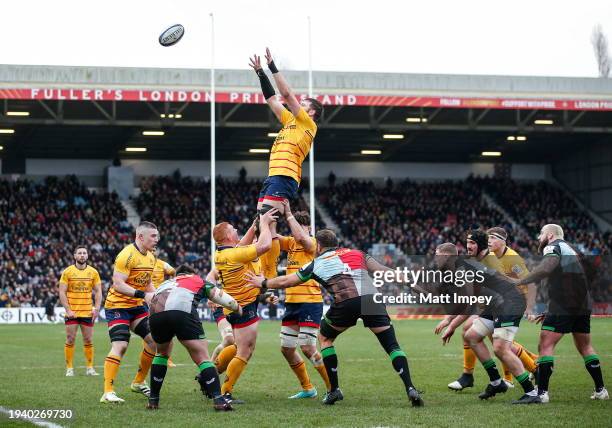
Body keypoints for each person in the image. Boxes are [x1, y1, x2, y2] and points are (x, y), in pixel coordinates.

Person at [247, 229, 423, 407]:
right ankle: (410, 387)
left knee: (325, 338)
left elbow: (287, 281)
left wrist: (262, 283)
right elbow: (384, 271)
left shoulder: (316, 263)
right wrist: (410, 283)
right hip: (372, 300)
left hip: (347, 301)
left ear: (319, 246)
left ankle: (334, 390)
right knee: (392, 345)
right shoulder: (358, 253)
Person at [248, 48, 324, 281]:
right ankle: (267, 277)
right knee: (263, 226)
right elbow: (272, 99)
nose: (297, 104)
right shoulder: (290, 121)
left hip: (285, 177)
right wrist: (261, 73)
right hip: (274, 177)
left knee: (265, 222)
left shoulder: (307, 124)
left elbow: (287, 93)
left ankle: (267, 279)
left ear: (310, 111)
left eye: (303, 104)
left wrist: (273, 67)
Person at [435, 243, 540, 404]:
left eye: (438, 254)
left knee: (500, 349)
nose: (435, 257)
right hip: (496, 304)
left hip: (509, 302)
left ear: (447, 256)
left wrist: (451, 325)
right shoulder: (457, 268)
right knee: (471, 336)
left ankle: (531, 392)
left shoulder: (462, 269)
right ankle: (496, 382)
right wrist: (449, 320)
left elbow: (469, 304)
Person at [514, 224, 608, 402]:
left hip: (564, 305)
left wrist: (521, 281)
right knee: (585, 347)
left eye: (541, 234)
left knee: (545, 345)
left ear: (550, 235)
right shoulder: (573, 250)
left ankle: (541, 394)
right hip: (582, 304)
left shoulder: (553, 246)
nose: (538, 238)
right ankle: (601, 390)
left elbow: (545, 269)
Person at [207, 209, 277, 403]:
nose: (236, 230)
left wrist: (255, 225)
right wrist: (263, 224)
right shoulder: (234, 255)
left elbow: (242, 244)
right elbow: (264, 245)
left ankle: (209, 376)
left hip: (236, 305)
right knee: (245, 350)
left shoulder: (223, 253)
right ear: (228, 236)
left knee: (238, 346)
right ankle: (225, 392)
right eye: (233, 229)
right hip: (244, 306)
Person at [146, 264, 239, 411]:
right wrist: (237, 308)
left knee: (162, 353)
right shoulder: (196, 280)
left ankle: (153, 400)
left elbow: (151, 299)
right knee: (202, 356)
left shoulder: (164, 283)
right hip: (181, 312)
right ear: (191, 274)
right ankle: (219, 400)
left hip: (155, 314)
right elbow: (222, 298)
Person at [100, 221, 159, 404]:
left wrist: (156, 296)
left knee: (153, 341)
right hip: (117, 306)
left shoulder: (150, 257)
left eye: (157, 236)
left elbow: (146, 282)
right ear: (140, 237)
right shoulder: (126, 255)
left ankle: (138, 383)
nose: (157, 239)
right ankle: (107, 392)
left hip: (136, 306)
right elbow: (118, 284)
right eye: (153, 236)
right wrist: (144, 295)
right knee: (121, 345)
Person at [277, 201, 331, 399]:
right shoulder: (291, 242)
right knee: (287, 348)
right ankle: (308, 388)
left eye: (302, 227)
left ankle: (332, 388)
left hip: (310, 301)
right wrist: (269, 217)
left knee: (308, 347)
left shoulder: (312, 243)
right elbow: (273, 238)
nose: (297, 232)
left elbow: (300, 236)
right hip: (292, 302)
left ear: (308, 228)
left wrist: (289, 213)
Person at [58, 246, 102, 376]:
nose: (82, 255)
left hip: (87, 311)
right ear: (75, 256)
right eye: (79, 253)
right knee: (70, 339)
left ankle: (90, 368)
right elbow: (62, 291)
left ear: (87, 256)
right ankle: (69, 368)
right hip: (72, 312)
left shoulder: (93, 272)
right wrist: (68, 309)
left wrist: (97, 308)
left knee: (88, 340)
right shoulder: (67, 272)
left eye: (84, 253)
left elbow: (98, 291)